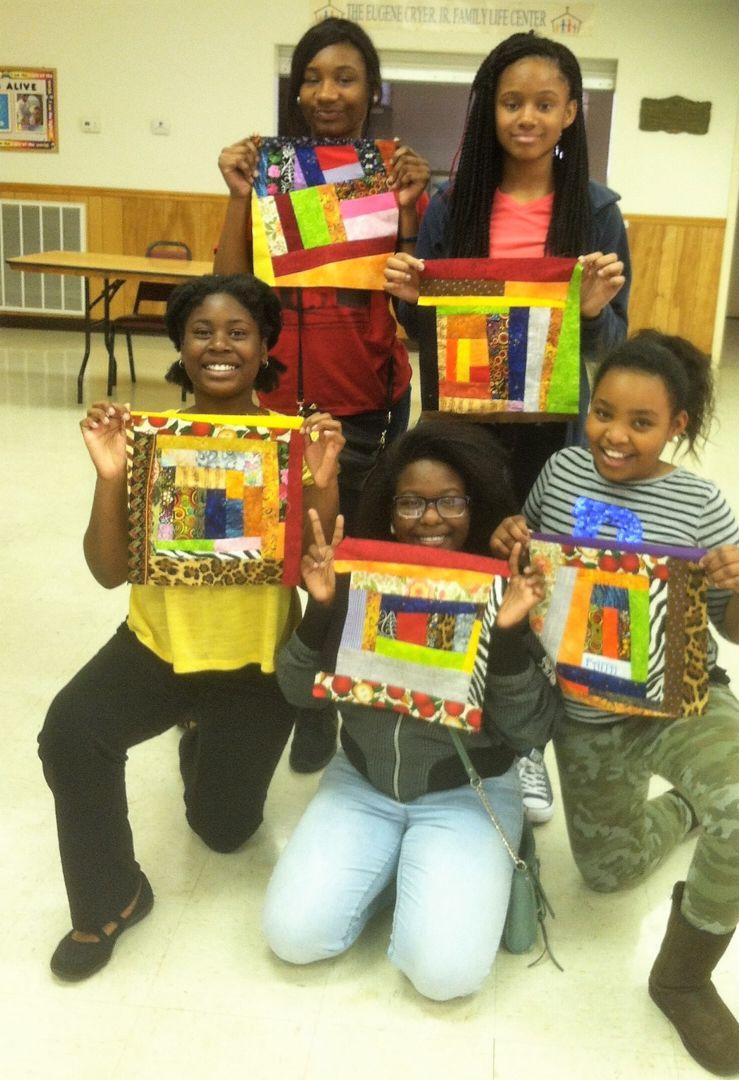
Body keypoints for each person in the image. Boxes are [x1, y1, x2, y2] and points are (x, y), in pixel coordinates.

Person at [490, 330, 739, 1075]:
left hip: (680, 700)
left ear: (676, 425)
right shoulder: (559, 473)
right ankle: (682, 811)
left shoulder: (698, 501)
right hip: (585, 715)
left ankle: (681, 977)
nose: (614, 436)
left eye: (641, 422)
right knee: (607, 875)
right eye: (601, 412)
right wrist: (511, 540)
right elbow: (530, 565)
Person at [38, 274, 345, 982]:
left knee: (224, 833)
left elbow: (317, 572)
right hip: (158, 649)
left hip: (255, 667)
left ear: (265, 345)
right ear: (179, 343)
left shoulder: (289, 439)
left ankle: (201, 735)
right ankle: (111, 901)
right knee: (71, 732)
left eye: (238, 332)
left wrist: (323, 480)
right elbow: (109, 573)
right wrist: (111, 476)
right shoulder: (150, 440)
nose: (219, 345)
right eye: (202, 331)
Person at [385, 31, 631, 822]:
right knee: (457, 563)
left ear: (569, 114)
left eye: (544, 103)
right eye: (511, 101)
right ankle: (441, 710)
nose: (526, 116)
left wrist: (593, 314)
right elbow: (421, 321)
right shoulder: (451, 204)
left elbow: (613, 345)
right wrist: (405, 294)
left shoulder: (594, 210)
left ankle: (524, 748)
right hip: (460, 423)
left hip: (547, 433)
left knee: (530, 574)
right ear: (489, 110)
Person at [261, 421, 562, 1000]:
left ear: (476, 505)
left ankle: (454, 864)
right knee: (292, 936)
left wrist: (503, 635)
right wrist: (322, 610)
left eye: (451, 501)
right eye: (412, 502)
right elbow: (298, 690)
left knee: (444, 976)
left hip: (467, 791)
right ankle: (405, 868)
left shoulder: (509, 584)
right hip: (362, 781)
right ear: (389, 509)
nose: (430, 519)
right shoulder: (360, 577)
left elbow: (530, 731)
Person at [215, 16, 431, 775]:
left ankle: (323, 702)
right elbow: (230, 290)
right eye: (311, 77)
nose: (326, 92)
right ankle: (262, 693)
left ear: (372, 92)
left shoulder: (390, 174)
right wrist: (241, 195)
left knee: (340, 561)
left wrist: (408, 213)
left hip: (360, 407)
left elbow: (415, 307)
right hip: (271, 407)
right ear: (295, 89)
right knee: (269, 555)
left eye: (344, 78)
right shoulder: (270, 172)